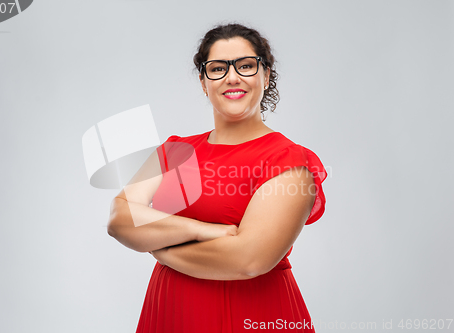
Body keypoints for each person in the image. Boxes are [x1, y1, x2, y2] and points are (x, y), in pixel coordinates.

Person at [107, 23, 327, 333]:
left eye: (246, 66)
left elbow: (249, 260)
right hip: (172, 312)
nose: (232, 77)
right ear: (203, 81)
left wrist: (159, 247)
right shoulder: (175, 150)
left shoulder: (288, 160)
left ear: (265, 75)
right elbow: (120, 219)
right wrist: (203, 231)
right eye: (218, 68)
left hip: (253, 316)